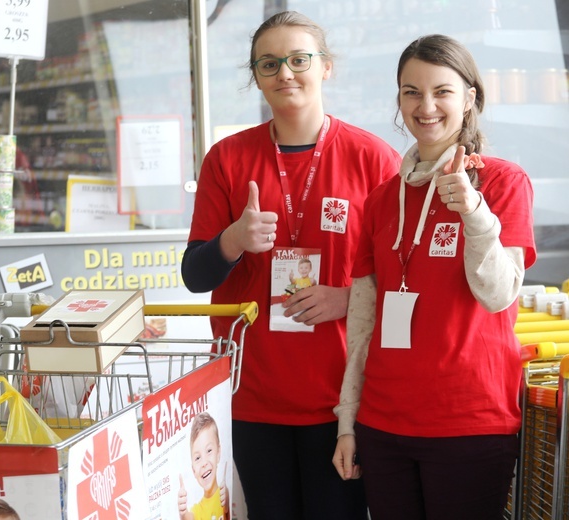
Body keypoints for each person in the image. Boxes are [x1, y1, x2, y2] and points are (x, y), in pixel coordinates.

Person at [181, 10, 401, 519]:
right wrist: (233, 239)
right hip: (251, 394)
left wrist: (347, 297)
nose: (285, 73)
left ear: (326, 67)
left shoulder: (374, 160)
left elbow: (405, 279)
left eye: (299, 59)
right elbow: (195, 276)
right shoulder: (227, 159)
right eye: (269, 63)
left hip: (343, 398)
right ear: (255, 76)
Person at [332, 34, 536, 520]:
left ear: (469, 99)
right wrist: (347, 420)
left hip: (469, 421)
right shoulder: (382, 199)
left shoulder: (503, 182)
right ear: (399, 100)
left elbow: (499, 293)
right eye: (411, 92)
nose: (426, 106)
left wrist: (474, 211)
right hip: (383, 423)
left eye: (442, 91)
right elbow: (363, 321)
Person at [178, 412, 230, 520]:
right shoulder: (197, 510)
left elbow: (226, 511)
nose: (204, 463)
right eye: (197, 458)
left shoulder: (224, 494)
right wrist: (183, 514)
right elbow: (189, 517)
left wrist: (227, 501)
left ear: (218, 453)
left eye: (209, 451)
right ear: (193, 470)